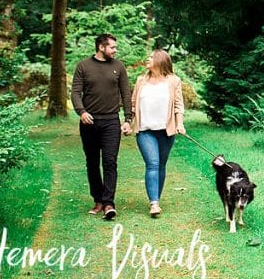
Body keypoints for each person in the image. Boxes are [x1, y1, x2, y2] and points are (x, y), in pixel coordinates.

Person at [71, 33, 132, 220]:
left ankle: (109, 203)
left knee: (110, 162)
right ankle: (98, 200)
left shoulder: (118, 66)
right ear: (101, 47)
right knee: (92, 162)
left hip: (111, 122)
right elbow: (75, 92)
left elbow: (126, 93)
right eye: (112, 47)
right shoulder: (83, 66)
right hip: (89, 122)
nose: (115, 50)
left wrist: (128, 119)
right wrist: (81, 112)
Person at [131, 49, 185, 217]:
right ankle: (154, 203)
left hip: (166, 130)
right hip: (145, 130)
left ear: (161, 61)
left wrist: (180, 124)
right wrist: (128, 122)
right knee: (153, 163)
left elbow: (178, 105)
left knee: (161, 164)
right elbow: (132, 104)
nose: (147, 59)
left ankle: (156, 198)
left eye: (151, 57)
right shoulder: (141, 80)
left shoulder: (174, 81)